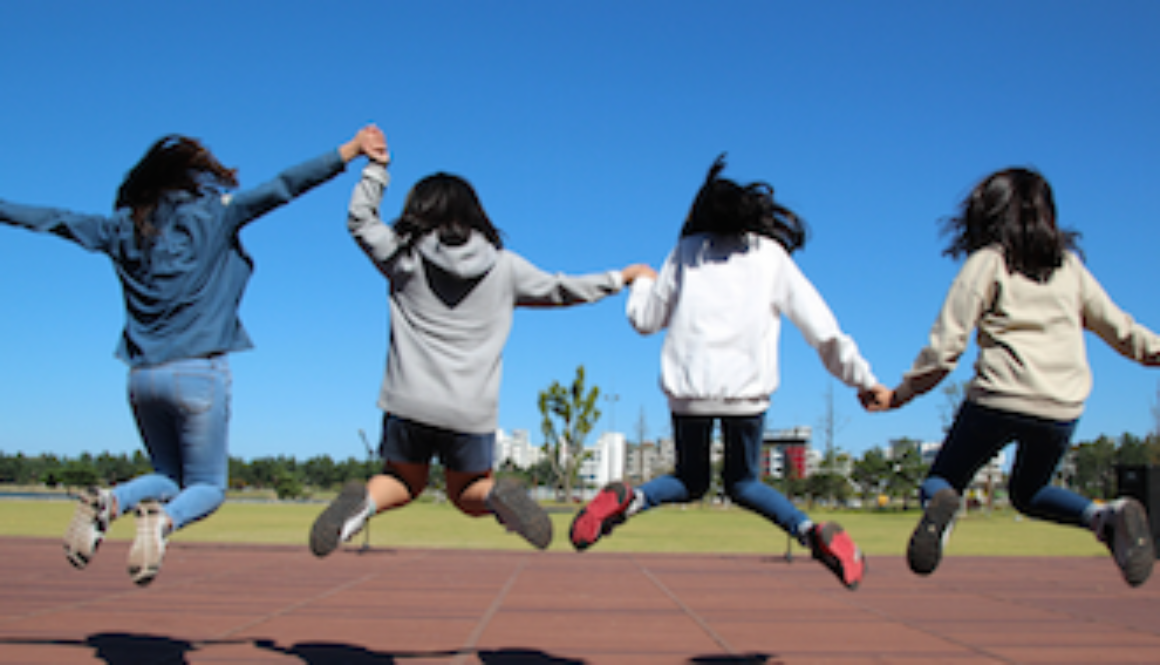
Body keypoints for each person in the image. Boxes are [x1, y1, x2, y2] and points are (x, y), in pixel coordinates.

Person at [0, 126, 387, 585]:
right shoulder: (214, 215)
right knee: (207, 487)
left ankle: (111, 501)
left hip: (141, 377)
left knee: (169, 475)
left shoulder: (121, 229)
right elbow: (283, 186)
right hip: (198, 372)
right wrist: (349, 151)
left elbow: (53, 219)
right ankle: (162, 523)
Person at [308, 137, 654, 556]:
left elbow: (360, 221)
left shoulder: (404, 257)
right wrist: (620, 278)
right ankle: (496, 498)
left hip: (408, 402)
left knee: (402, 481)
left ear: (419, 211)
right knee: (468, 491)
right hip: (470, 411)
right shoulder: (505, 267)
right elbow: (562, 289)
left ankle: (362, 505)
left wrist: (376, 169)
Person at [569, 155, 882, 590]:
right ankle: (812, 532)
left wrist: (641, 279)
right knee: (743, 482)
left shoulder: (684, 254)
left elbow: (644, 320)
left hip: (689, 393)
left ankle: (630, 499)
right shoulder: (770, 256)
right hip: (745, 396)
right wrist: (864, 380)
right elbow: (821, 329)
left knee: (689, 479)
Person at [865, 167, 1160, 587]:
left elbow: (947, 346)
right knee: (1029, 493)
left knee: (942, 479)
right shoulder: (1070, 268)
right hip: (1062, 407)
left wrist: (900, 395)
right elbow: (1124, 332)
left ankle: (946, 514)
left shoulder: (988, 262)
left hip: (998, 399)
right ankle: (1104, 516)